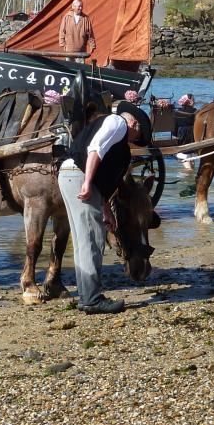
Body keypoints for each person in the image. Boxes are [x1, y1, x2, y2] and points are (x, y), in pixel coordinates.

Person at [57, 102, 143, 314]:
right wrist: (86, 182)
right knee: (92, 240)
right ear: (134, 123)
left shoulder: (110, 125)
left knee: (82, 240)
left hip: (68, 174)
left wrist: (105, 208)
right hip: (78, 175)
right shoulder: (117, 123)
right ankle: (92, 300)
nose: (134, 141)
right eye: (138, 135)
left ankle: (86, 295)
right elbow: (95, 149)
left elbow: (101, 177)